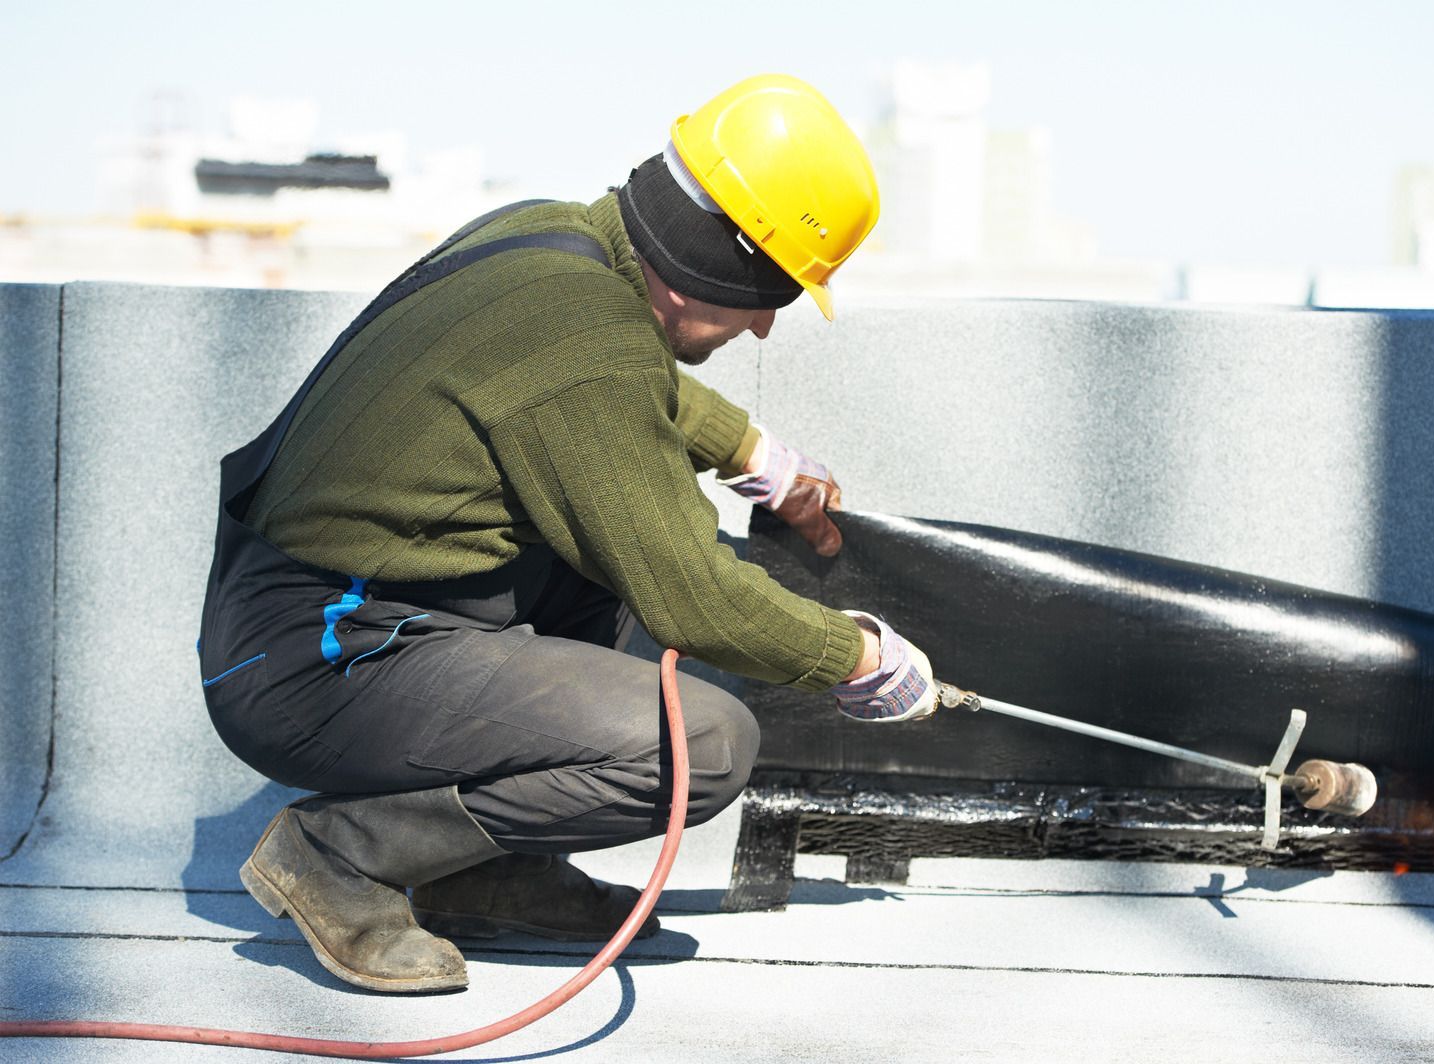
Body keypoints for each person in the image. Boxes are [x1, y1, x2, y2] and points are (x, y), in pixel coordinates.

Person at [197, 73, 938, 994]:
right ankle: (340, 852)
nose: (762, 326)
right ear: (726, 259)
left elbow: (623, 385)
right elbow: (693, 597)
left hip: (301, 619)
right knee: (704, 746)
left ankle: (480, 871)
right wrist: (855, 659)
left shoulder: (555, 239)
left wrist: (752, 452)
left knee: (597, 546)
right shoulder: (589, 339)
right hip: (320, 658)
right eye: (772, 291)